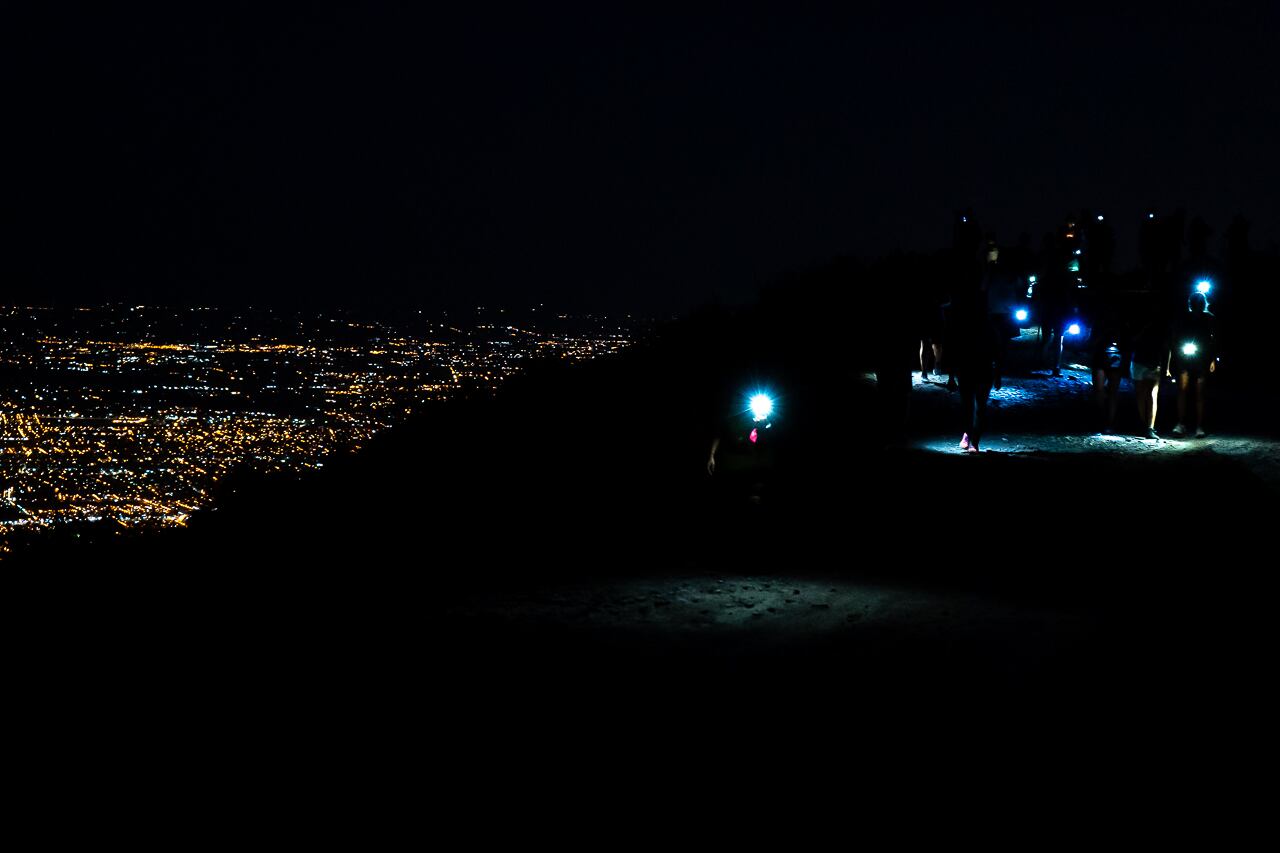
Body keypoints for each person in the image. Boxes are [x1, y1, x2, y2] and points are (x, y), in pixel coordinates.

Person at [1169, 292, 1217, 438]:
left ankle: (1199, 426)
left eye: (1199, 302)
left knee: (1199, 393)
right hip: (1185, 357)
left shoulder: (1209, 318)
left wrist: (1213, 359)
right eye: (1195, 302)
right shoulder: (1183, 317)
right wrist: (1175, 355)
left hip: (1202, 358)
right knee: (1182, 390)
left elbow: (1214, 339)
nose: (1197, 304)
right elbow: (1175, 337)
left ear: (1203, 303)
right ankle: (1181, 424)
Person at [1129, 310, 1171, 439]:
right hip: (1140, 362)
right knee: (1142, 395)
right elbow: (1132, 341)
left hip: (1152, 363)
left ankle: (1149, 427)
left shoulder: (1161, 327)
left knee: (1151, 395)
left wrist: (1167, 367)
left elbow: (1168, 347)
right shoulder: (1139, 324)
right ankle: (1144, 426)